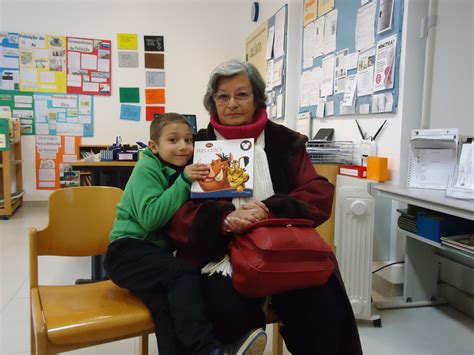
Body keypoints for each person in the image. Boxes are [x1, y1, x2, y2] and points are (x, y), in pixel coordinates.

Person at [166, 61, 363, 355]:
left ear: (257, 97)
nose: (232, 104)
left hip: (283, 248)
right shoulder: (194, 146)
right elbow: (173, 212)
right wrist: (224, 220)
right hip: (219, 255)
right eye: (223, 96)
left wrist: (272, 210)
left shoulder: (285, 141)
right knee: (222, 314)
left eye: (241, 94)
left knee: (326, 306)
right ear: (213, 102)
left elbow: (318, 192)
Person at [104, 113, 268, 355]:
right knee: (183, 274)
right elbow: (151, 219)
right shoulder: (147, 168)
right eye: (173, 140)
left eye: (188, 140)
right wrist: (183, 181)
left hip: (153, 257)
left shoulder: (181, 168)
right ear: (153, 146)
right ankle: (209, 351)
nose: (183, 147)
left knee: (166, 308)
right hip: (126, 252)